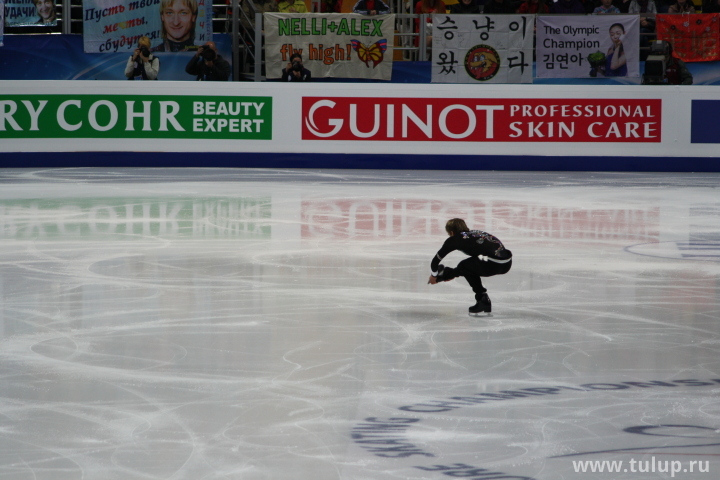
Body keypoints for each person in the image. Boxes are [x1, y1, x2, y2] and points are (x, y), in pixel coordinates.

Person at [427, 218, 512, 315]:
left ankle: (482, 299)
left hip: (493, 264)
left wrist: (434, 276)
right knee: (468, 267)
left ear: (451, 232)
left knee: (464, 266)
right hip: (507, 263)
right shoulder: (476, 233)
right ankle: (447, 274)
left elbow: (435, 261)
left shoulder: (455, 239)